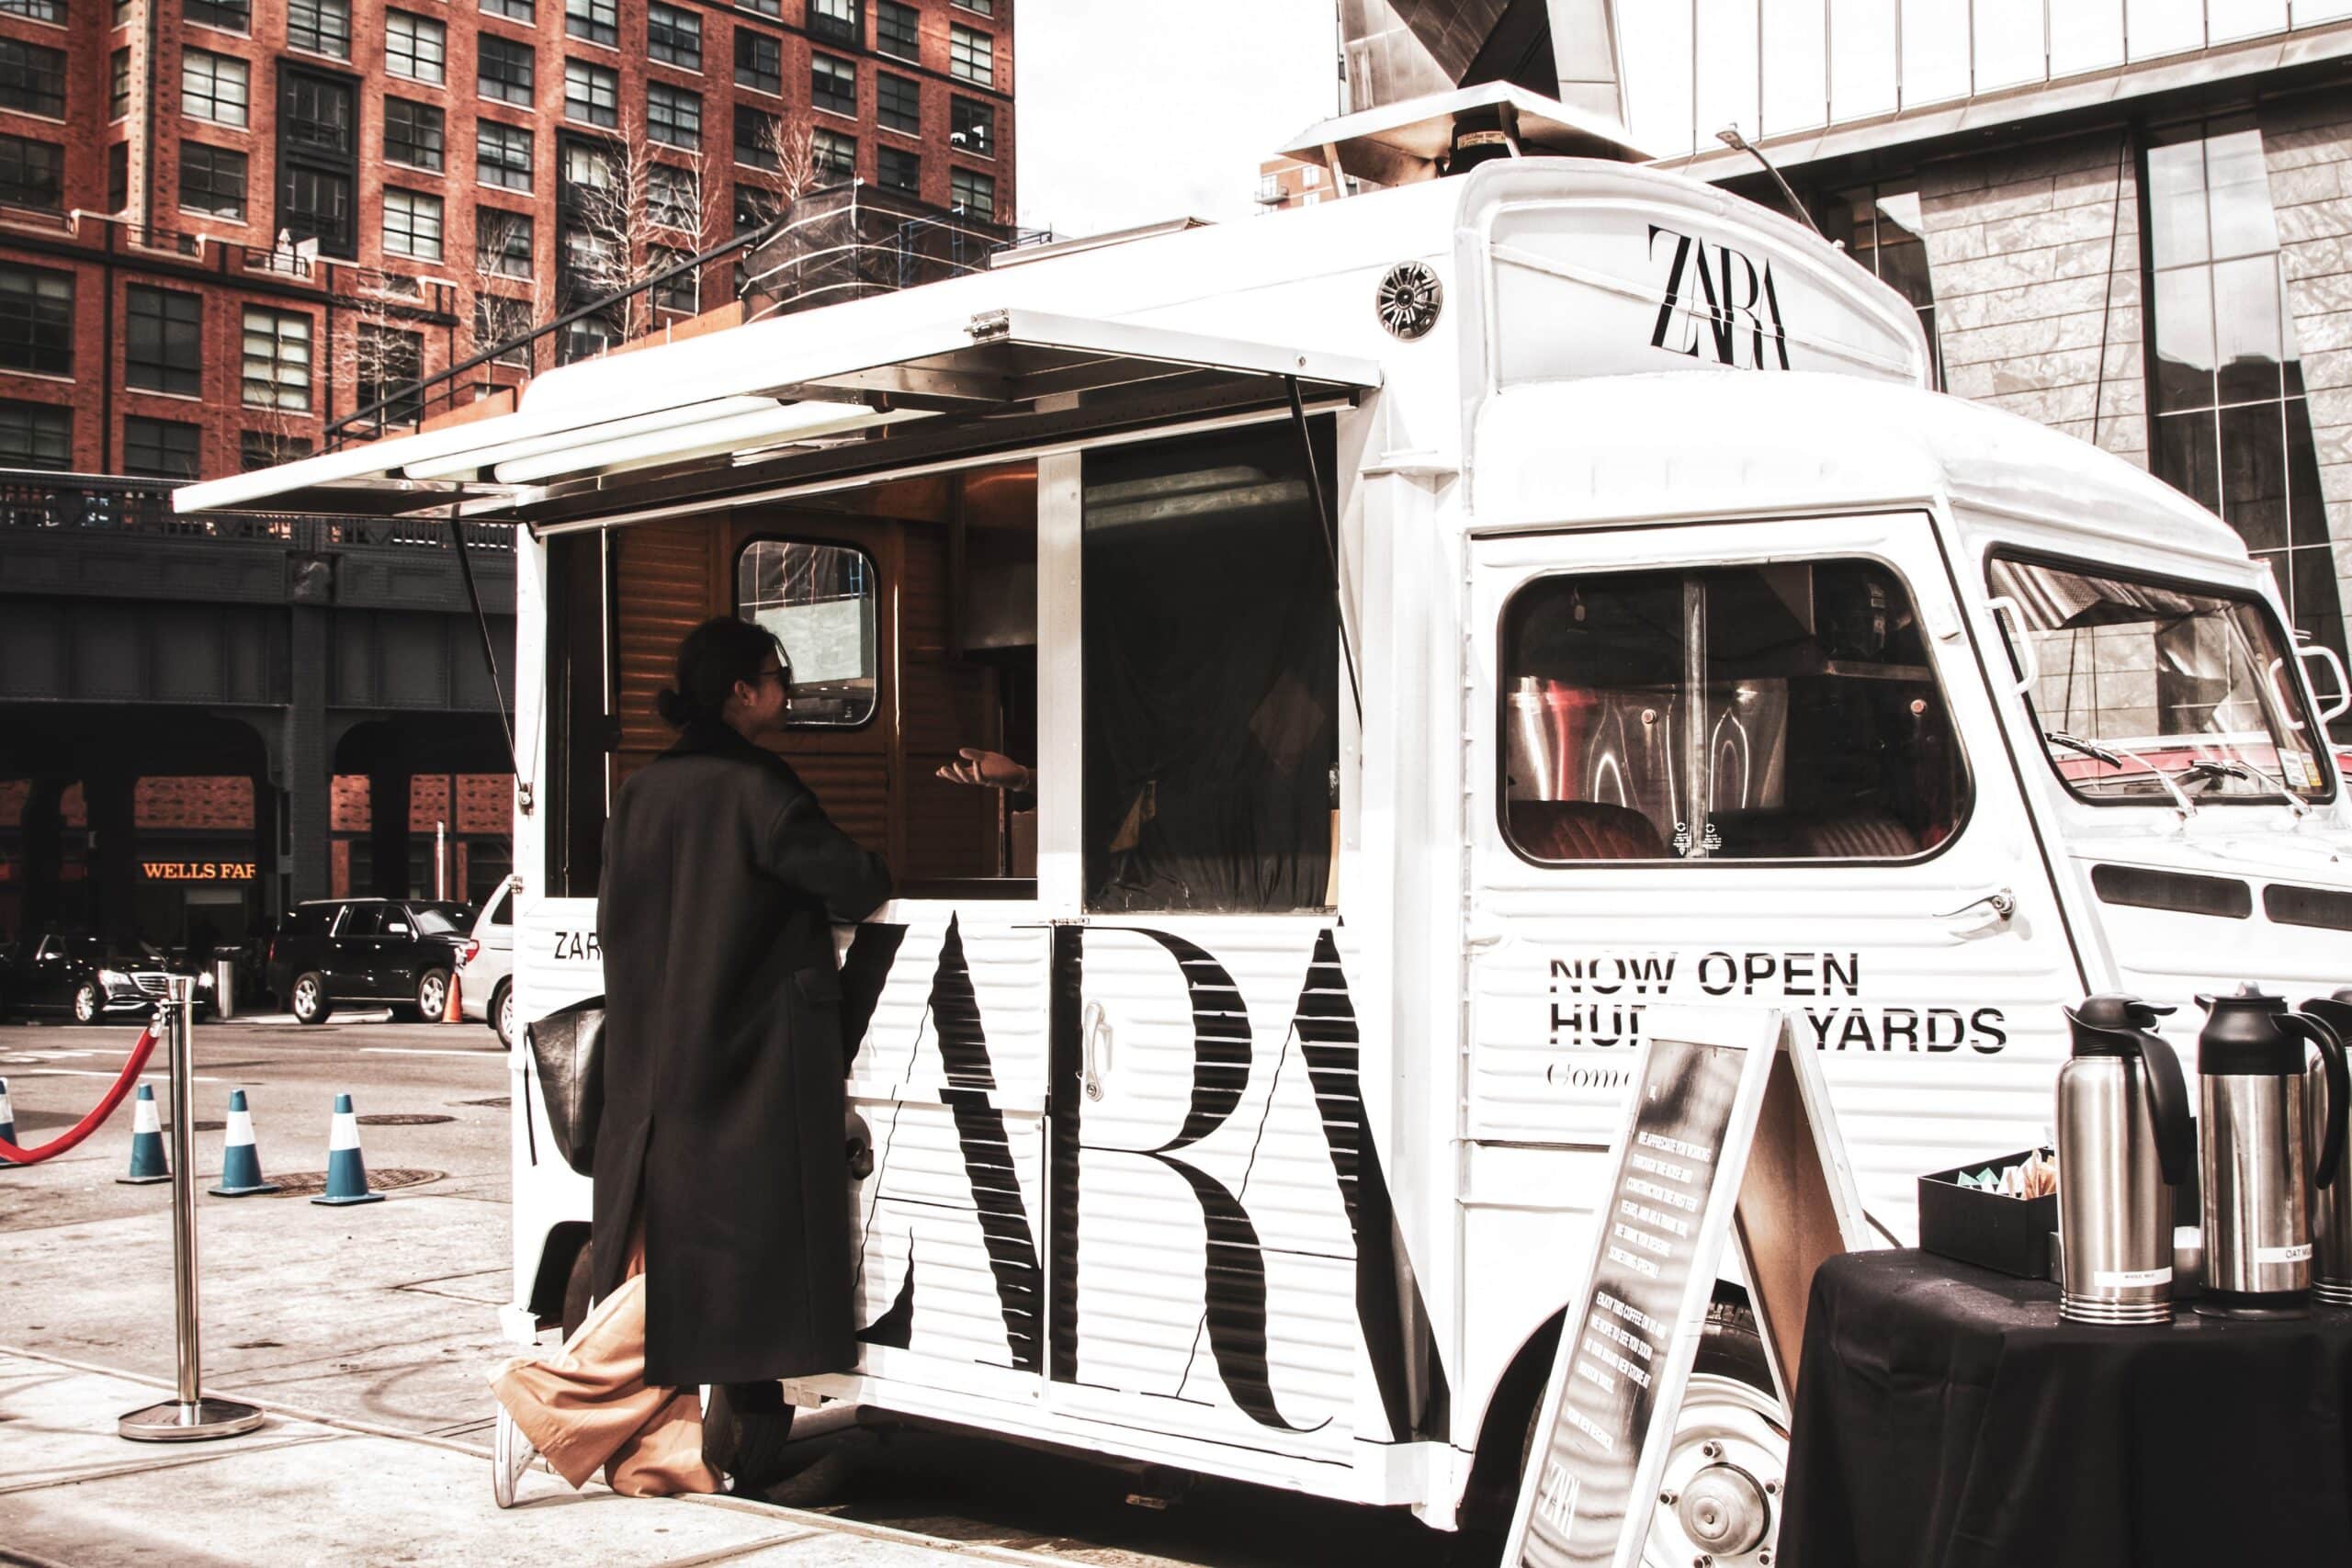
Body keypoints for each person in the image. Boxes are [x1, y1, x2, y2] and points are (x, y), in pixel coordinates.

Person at [490, 615, 891, 1506]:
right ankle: (551, 1392)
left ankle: (658, 1461)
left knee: (648, 1247)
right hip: (742, 1058)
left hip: (649, 1050)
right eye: (776, 678)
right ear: (741, 691)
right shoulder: (758, 786)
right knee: (733, 1255)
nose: (785, 695)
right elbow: (854, 882)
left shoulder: (643, 789)